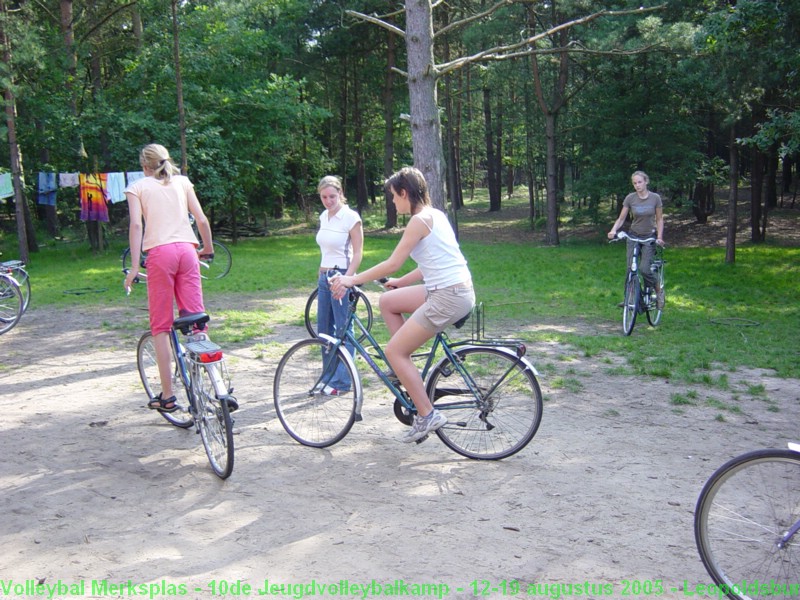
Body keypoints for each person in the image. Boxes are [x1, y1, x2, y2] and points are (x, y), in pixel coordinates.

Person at [330, 167, 475, 443]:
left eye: (394, 197)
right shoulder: (436, 215)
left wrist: (352, 279)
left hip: (447, 296)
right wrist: (399, 283)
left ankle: (427, 414)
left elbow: (393, 261)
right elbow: (427, 265)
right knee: (388, 301)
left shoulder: (419, 221)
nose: (393, 203)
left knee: (394, 351)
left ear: (405, 193)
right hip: (454, 289)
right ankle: (403, 371)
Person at [123, 143, 215, 413]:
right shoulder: (183, 182)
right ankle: (214, 383)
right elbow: (201, 219)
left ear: (144, 166)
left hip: (160, 256)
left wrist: (132, 267)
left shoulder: (137, 187)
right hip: (188, 252)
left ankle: (167, 395)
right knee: (196, 319)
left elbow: (137, 224)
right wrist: (206, 248)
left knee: (161, 327)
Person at [315, 175, 363, 395]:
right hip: (324, 275)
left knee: (343, 329)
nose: (328, 201)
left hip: (341, 274)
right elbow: (325, 248)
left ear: (340, 193)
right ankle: (327, 377)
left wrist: (348, 279)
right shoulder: (323, 216)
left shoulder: (351, 217)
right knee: (323, 330)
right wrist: (320, 273)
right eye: (324, 197)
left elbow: (358, 253)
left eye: (332, 196)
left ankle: (342, 382)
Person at [607, 170, 665, 309]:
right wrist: (613, 230)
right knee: (630, 269)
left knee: (644, 269)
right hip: (633, 236)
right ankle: (629, 298)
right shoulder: (630, 198)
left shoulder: (655, 198)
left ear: (646, 182)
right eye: (635, 183)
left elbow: (659, 219)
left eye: (640, 182)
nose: (637, 185)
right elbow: (621, 218)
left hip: (648, 238)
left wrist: (659, 237)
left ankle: (659, 291)